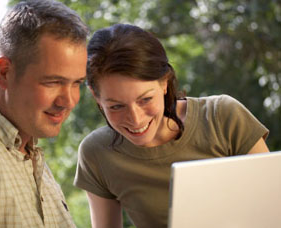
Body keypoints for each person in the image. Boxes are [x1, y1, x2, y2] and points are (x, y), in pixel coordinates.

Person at [74, 23, 270, 228]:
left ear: (164, 82)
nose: (135, 119)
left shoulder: (221, 117)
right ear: (96, 96)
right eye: (116, 106)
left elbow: (273, 203)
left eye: (145, 99)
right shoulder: (97, 153)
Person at [0, 0, 88, 227]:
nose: (69, 101)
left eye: (77, 83)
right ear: (4, 72)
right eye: (53, 82)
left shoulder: (26, 150)